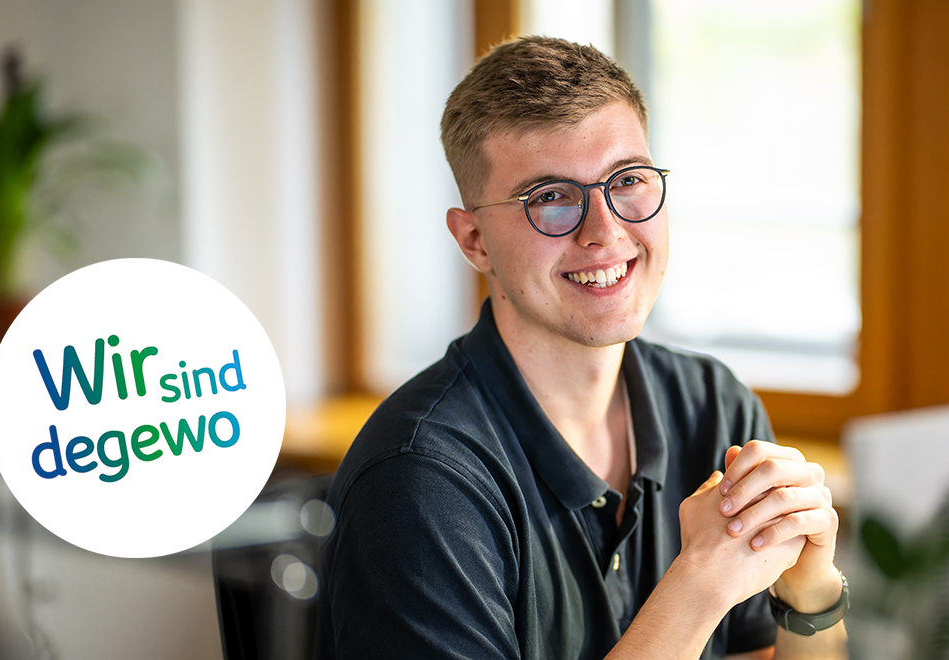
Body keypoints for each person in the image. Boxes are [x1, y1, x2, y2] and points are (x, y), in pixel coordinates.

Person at [316, 36, 847, 659]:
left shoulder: (713, 406)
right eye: (550, 198)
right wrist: (698, 583)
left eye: (627, 180)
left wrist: (809, 590)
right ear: (475, 240)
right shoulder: (415, 482)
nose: (605, 231)